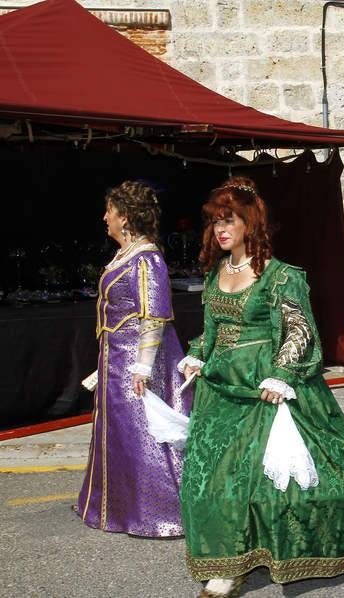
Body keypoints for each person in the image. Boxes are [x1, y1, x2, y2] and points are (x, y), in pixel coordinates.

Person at [179, 177, 344, 595]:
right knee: (212, 480)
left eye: (229, 220)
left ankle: (267, 553)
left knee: (270, 484)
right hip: (220, 389)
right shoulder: (218, 271)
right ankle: (228, 562)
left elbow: (299, 332)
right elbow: (213, 329)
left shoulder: (281, 276)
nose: (220, 229)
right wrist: (199, 353)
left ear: (249, 223)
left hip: (264, 382)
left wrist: (282, 374)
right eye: (216, 221)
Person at [76, 181, 191, 537]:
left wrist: (142, 366)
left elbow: (154, 315)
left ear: (124, 217)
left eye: (109, 210)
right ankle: (116, 509)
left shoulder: (147, 257)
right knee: (122, 436)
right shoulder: (126, 255)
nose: (104, 217)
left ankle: (160, 512)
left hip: (139, 364)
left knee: (144, 437)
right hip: (117, 360)